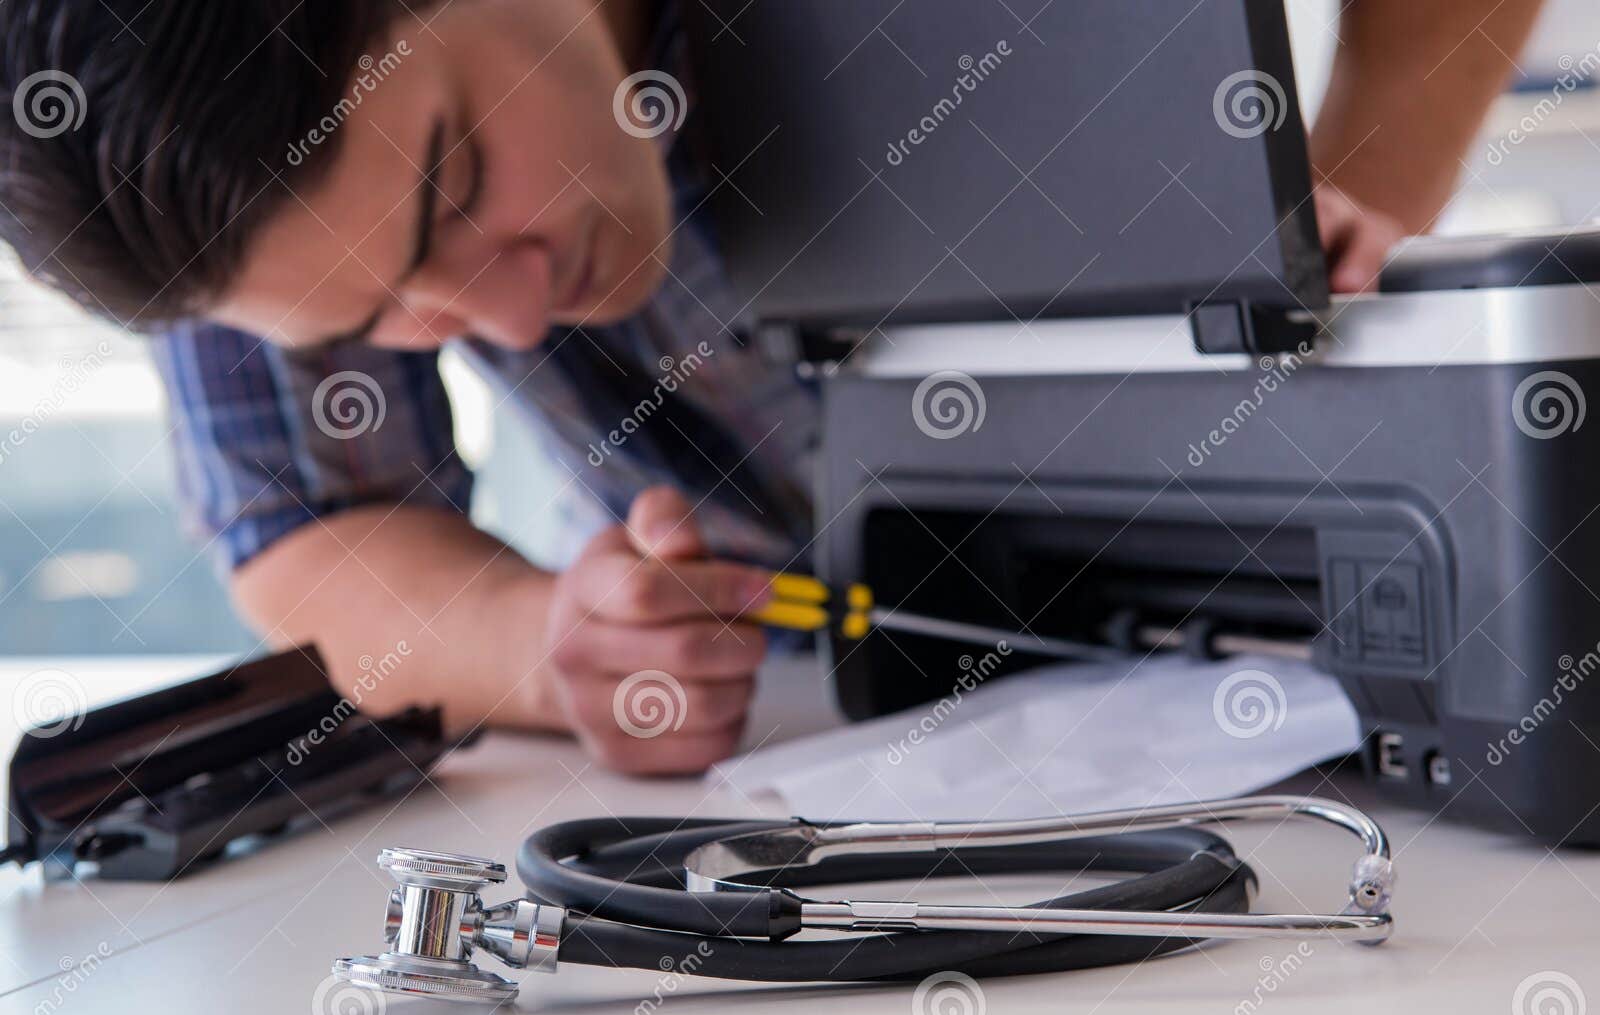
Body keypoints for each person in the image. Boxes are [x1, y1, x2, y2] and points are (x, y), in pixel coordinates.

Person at [0, 0, 1544, 772]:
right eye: (378, 318)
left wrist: (1349, 184)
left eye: (460, 179)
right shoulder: (199, 170)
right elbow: (303, 528)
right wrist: (552, 649)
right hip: (902, 735)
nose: (504, 307)